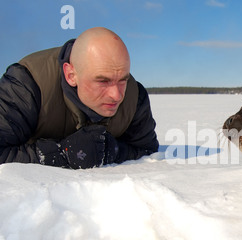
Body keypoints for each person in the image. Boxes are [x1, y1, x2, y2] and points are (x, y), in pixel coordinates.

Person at [0, 27, 159, 169]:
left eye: (123, 80)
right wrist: (62, 154)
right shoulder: (26, 85)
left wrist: (112, 150)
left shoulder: (134, 96)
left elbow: (147, 150)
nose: (116, 95)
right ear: (71, 75)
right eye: (103, 81)